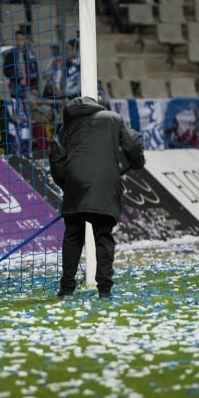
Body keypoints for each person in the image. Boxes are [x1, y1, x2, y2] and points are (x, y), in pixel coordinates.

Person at [49, 95, 144, 299]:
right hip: (105, 184)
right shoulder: (113, 118)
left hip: (75, 185)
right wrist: (137, 162)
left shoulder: (65, 127)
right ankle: (104, 289)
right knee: (103, 236)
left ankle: (66, 289)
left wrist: (67, 184)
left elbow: (56, 158)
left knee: (73, 236)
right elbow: (134, 144)